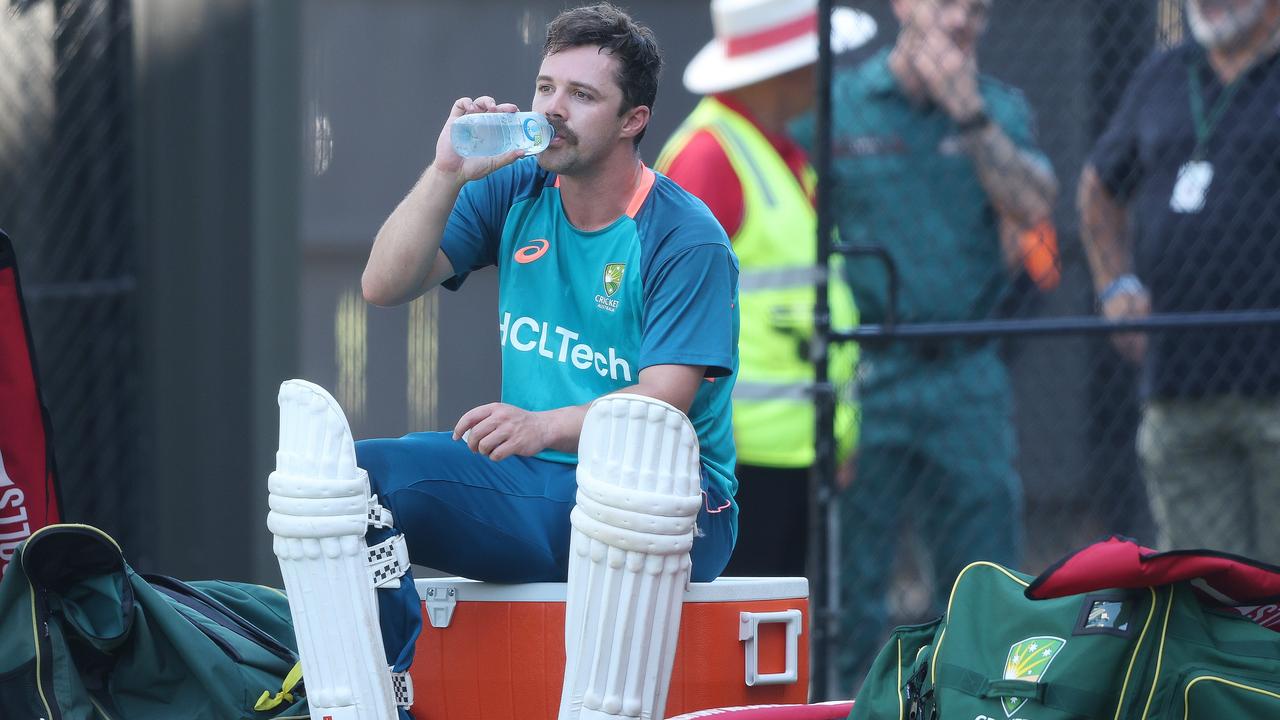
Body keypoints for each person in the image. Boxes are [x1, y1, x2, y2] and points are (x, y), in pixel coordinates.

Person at [271, 5, 741, 718]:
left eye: (582, 96)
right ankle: (378, 699)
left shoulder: (684, 235)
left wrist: (541, 428)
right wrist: (446, 172)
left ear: (632, 119)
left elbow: (660, 404)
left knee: (375, 482)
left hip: (676, 505)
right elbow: (384, 285)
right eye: (546, 87)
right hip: (542, 483)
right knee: (350, 480)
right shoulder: (515, 187)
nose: (553, 110)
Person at [791, 0, 1058, 693]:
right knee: (850, 590)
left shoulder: (995, 108)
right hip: (866, 375)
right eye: (946, 5)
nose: (962, 21)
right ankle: (847, 704)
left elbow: (1035, 204)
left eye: (978, 10)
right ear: (904, 7)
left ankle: (978, 705)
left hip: (966, 373)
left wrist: (967, 112)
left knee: (986, 585)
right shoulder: (840, 104)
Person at [654, 0, 874, 577]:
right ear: (786, 69)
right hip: (737, 461)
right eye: (819, 58)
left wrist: (838, 435)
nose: (830, 73)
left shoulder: (781, 153)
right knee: (739, 633)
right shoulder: (709, 158)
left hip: (795, 451)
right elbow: (664, 309)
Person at [1079, 0, 1280, 561]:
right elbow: (1099, 187)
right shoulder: (1164, 74)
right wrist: (1115, 286)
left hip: (1276, 384)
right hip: (1181, 385)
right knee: (1204, 594)